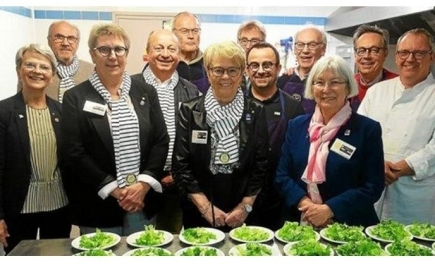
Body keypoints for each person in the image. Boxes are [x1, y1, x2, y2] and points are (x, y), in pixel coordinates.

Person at [61, 23, 169, 236]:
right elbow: (73, 152)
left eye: (119, 49)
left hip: (142, 200)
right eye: (104, 49)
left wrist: (143, 184)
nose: (113, 56)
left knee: (141, 256)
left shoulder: (146, 92)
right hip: (98, 202)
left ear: (127, 54)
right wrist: (114, 189)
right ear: (93, 55)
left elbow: (160, 140)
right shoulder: (75, 97)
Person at [275, 54, 385, 228]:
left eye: (335, 82)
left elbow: (372, 186)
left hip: (348, 226)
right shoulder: (297, 125)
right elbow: (282, 176)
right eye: (319, 82)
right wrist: (307, 205)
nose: (326, 89)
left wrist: (329, 209)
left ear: (348, 87)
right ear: (311, 87)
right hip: (301, 221)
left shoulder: (367, 129)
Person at [172, 41, 269, 232]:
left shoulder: (256, 111)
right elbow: (180, 164)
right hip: (199, 211)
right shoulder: (189, 111)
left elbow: (261, 164)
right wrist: (205, 208)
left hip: (242, 213)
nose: (225, 77)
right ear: (207, 72)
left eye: (232, 70)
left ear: (242, 73)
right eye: (218, 70)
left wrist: (245, 206)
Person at [358, 28, 435, 225]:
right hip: (371, 190)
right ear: (396, 55)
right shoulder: (377, 91)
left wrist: (400, 168)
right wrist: (375, 166)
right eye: (404, 53)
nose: (410, 59)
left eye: (418, 53)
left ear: (431, 56)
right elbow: (357, 135)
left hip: (414, 198)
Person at [0, 44, 70, 254]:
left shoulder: (62, 111)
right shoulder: (4, 112)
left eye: (44, 67)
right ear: (19, 70)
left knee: (57, 259)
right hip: (19, 206)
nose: (37, 71)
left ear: (52, 74)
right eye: (30, 64)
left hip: (58, 204)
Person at [131, 29, 200, 233]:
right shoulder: (129, 87)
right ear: (147, 52)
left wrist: (177, 174)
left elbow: (196, 141)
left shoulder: (191, 91)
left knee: (170, 241)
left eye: (171, 49)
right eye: (158, 48)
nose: (165, 54)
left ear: (179, 55)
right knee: (140, 245)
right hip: (136, 183)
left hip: (175, 183)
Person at [245, 42, 304, 230]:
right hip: (243, 198)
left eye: (267, 65)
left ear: (278, 68)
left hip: (282, 199)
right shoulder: (235, 104)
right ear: (247, 69)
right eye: (254, 65)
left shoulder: (294, 107)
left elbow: (300, 159)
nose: (261, 71)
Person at [277, 25, 327, 114]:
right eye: (300, 45)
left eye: (312, 45)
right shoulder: (283, 80)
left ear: (323, 49)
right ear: (295, 49)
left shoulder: (329, 82)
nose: (305, 50)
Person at [350, 24, 398, 111]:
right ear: (355, 55)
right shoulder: (348, 84)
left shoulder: (399, 85)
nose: (367, 56)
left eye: (374, 50)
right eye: (361, 51)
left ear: (385, 53)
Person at [45, 20, 94, 103]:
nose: (65, 43)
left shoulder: (93, 70)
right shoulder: (39, 71)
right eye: (59, 37)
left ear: (77, 42)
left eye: (71, 38)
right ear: (49, 41)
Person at [171, 11, 210, 94]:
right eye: (184, 31)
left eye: (195, 31)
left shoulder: (210, 62)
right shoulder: (164, 63)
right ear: (173, 33)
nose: (191, 36)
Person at [237, 20, 267, 93]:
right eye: (244, 40)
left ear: (264, 43)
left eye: (254, 41)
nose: (248, 46)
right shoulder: (232, 69)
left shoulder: (269, 71)